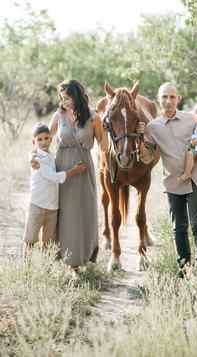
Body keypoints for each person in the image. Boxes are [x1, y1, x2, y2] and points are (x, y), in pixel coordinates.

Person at [138, 83, 197, 279]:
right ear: (158, 99)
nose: (168, 101)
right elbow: (147, 158)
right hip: (173, 183)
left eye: (172, 97)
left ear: (178, 99)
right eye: (164, 97)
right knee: (178, 228)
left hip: (196, 180)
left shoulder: (192, 119)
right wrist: (140, 137)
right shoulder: (153, 127)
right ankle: (184, 271)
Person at [48, 79, 106, 272]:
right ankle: (67, 261)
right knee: (64, 214)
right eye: (62, 98)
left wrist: (105, 126)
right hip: (62, 167)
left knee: (82, 213)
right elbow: (45, 140)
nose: (64, 102)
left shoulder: (92, 116)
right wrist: (36, 156)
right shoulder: (59, 114)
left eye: (68, 98)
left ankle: (81, 258)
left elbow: (104, 146)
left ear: (77, 96)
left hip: (83, 168)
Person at [23, 122, 86, 258]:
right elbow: (53, 177)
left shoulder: (52, 156)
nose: (43, 142)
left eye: (46, 138)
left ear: (51, 139)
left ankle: (46, 269)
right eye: (39, 139)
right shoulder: (36, 159)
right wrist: (73, 171)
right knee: (30, 240)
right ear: (33, 141)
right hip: (37, 205)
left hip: (52, 207)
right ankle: (26, 268)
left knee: (47, 243)